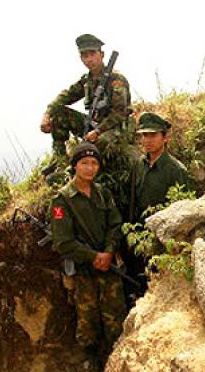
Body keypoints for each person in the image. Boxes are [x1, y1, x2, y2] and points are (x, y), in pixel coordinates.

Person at [50, 142, 127, 369]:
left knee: (116, 321)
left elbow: (116, 224)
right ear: (75, 166)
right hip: (84, 273)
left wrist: (109, 251)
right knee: (87, 325)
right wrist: (94, 256)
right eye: (84, 163)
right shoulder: (62, 200)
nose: (90, 168)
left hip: (109, 269)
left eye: (94, 163)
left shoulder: (103, 193)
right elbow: (63, 243)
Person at [123, 111, 193, 300]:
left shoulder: (176, 170)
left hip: (162, 242)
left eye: (153, 135)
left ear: (165, 137)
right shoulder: (139, 165)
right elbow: (132, 199)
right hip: (138, 238)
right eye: (144, 135)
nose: (147, 140)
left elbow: (183, 212)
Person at [40, 34, 132, 176]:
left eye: (92, 54)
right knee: (59, 114)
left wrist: (97, 132)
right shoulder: (87, 80)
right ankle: (59, 161)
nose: (89, 59)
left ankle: (77, 170)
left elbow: (120, 113)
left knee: (96, 144)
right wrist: (47, 114)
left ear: (101, 55)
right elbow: (66, 96)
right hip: (93, 125)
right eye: (84, 55)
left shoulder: (116, 80)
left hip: (114, 128)